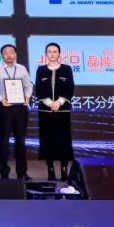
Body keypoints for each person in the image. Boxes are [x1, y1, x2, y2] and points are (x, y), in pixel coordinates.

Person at [0, 43, 34, 180]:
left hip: (20, 108)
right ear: (2, 55)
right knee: (4, 140)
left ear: (15, 54)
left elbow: (28, 85)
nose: (9, 55)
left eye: (11, 52)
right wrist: (1, 99)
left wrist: (27, 97)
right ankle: (4, 172)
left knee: (21, 141)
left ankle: (22, 173)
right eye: (5, 53)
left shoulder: (22, 69)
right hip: (5, 107)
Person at [35, 41, 75, 181]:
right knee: (48, 140)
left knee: (64, 140)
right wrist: (49, 102)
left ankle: (64, 169)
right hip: (46, 111)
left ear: (59, 54)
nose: (52, 54)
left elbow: (70, 87)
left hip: (62, 111)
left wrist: (59, 102)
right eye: (49, 51)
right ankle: (50, 169)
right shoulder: (41, 70)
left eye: (55, 51)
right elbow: (39, 89)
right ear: (46, 54)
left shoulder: (66, 69)